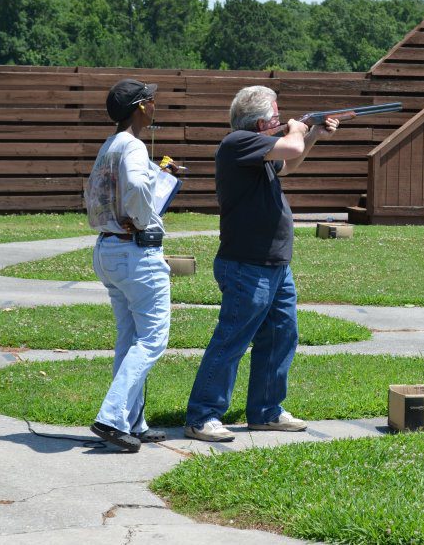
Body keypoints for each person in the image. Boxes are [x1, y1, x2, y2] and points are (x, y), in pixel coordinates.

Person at [184, 85, 338, 441]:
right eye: (276, 117)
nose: (280, 121)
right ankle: (202, 415)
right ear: (259, 123)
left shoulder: (258, 151)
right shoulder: (237, 142)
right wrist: (297, 129)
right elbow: (292, 146)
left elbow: (290, 164)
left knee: (281, 336)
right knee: (232, 341)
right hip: (246, 265)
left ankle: (266, 411)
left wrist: (313, 133)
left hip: (274, 264)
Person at [85, 78, 178, 453]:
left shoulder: (109, 145)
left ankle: (132, 422)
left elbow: (98, 193)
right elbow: (138, 188)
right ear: (140, 107)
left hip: (108, 249)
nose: (155, 104)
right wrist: (141, 220)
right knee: (153, 339)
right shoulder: (135, 146)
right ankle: (111, 418)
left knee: (129, 339)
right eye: (151, 99)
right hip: (135, 253)